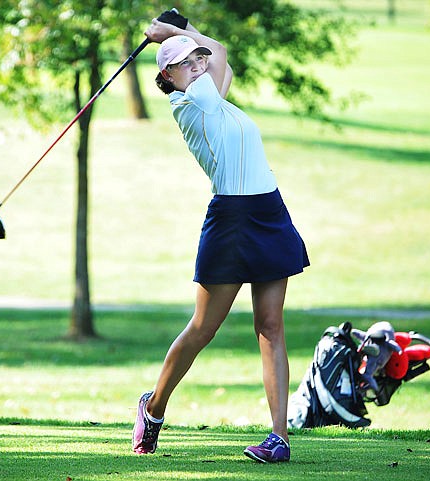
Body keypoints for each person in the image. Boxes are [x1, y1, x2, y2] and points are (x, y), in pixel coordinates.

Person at [132, 15, 310, 464]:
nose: (195, 63)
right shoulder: (191, 104)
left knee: (271, 326)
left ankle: (279, 437)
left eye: (196, 60)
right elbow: (217, 52)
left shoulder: (216, 99)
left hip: (268, 210)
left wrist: (183, 27)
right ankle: (153, 410)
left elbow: (219, 53)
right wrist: (171, 34)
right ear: (167, 77)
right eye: (183, 63)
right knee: (203, 329)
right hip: (231, 220)